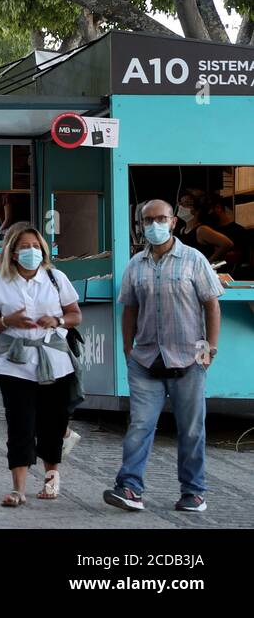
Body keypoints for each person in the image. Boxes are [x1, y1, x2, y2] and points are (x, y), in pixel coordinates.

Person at [104, 200, 222, 514]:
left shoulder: (193, 259)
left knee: (192, 428)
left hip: (189, 358)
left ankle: (193, 493)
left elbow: (211, 304)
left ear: (172, 222)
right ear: (141, 225)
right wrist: (128, 349)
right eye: (148, 220)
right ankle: (129, 487)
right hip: (145, 360)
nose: (154, 224)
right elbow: (129, 308)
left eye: (161, 218)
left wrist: (210, 348)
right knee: (140, 424)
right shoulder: (135, 265)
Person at [0, 225, 82, 506]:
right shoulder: (1, 282)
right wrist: (6, 322)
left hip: (55, 362)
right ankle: (18, 489)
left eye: (36, 246)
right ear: (13, 252)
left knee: (53, 423)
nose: (32, 252)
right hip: (14, 364)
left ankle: (52, 478)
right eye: (25, 247)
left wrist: (58, 321)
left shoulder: (55, 278)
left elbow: (75, 314)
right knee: (20, 425)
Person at [174, 190, 232, 261]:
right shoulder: (183, 230)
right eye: (181, 203)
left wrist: (208, 263)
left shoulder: (201, 230)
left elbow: (227, 243)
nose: (180, 206)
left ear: (197, 209)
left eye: (186, 203)